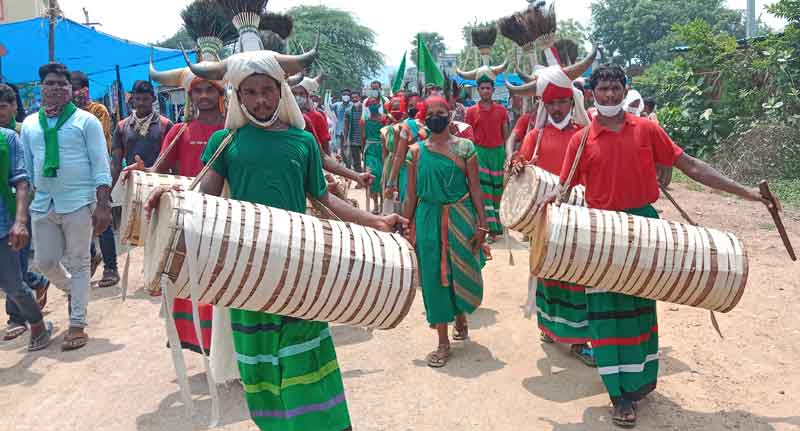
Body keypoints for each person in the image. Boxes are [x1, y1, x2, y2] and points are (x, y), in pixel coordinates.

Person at [149, 49, 408, 431]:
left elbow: (324, 198)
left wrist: (376, 221)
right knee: (261, 365)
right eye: (249, 92)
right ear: (236, 97)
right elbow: (203, 200)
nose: (260, 100)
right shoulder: (225, 142)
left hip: (300, 266)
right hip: (245, 272)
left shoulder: (302, 142)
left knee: (305, 355)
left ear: (281, 91)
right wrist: (167, 198)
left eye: (267, 90)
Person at [537, 64, 771, 428]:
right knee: (604, 314)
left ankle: (639, 382)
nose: (611, 95)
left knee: (640, 309)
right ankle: (619, 395)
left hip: (646, 231)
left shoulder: (647, 128)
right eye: (604, 89)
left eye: (616, 88)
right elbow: (562, 188)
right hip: (601, 235)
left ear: (625, 89)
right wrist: (536, 198)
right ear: (593, 95)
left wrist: (748, 194)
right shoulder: (581, 139)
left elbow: (691, 166)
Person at [21, 63, 113, 351]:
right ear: (41, 88)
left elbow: (101, 165)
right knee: (46, 262)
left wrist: (103, 205)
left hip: (78, 202)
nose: (57, 88)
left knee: (80, 261)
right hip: (43, 202)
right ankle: (73, 289)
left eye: (63, 84)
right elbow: (26, 166)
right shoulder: (30, 125)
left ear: (71, 89)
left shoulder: (87, 122)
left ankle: (77, 323)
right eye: (51, 83)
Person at [508, 65, 595, 366]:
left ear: (572, 102)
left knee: (577, 278)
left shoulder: (586, 135)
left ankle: (579, 340)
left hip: (576, 218)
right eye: (551, 103)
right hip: (544, 221)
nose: (557, 108)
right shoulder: (536, 135)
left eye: (562, 102)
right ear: (543, 104)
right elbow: (522, 168)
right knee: (546, 275)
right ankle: (548, 326)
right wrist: (517, 165)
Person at [402, 96, 487, 368]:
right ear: (424, 117)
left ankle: (460, 315)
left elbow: (475, 187)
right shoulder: (415, 152)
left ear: (450, 116)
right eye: (431, 113)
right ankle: (442, 341)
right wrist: (404, 225)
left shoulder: (466, 148)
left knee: (461, 269)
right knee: (432, 277)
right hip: (428, 218)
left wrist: (482, 224)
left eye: (442, 112)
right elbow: (411, 194)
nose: (436, 117)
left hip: (461, 217)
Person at [0, 84, 50, 340]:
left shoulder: (13, 136)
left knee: (13, 282)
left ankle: (31, 322)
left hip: (9, 218)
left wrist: (20, 219)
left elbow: (23, 179)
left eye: (3, 106)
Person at [71, 71, 119, 288]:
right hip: (75, 177)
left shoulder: (98, 111)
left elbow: (95, 143)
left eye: (75, 88)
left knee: (103, 220)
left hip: (97, 173)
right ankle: (91, 257)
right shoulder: (66, 114)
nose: (73, 93)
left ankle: (111, 267)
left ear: (85, 89)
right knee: (79, 222)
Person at [465, 75, 509, 240]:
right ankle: (488, 228)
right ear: (478, 91)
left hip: (498, 153)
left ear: (493, 90)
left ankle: (498, 227)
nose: (485, 91)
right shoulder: (471, 111)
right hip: (479, 154)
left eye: (488, 88)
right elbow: (468, 135)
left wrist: (506, 155)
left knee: (498, 191)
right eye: (482, 88)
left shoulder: (501, 110)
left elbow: (506, 134)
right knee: (485, 191)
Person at [111, 80, 173, 185]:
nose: (141, 103)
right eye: (137, 99)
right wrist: (114, 188)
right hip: (131, 184)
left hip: (160, 184)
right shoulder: (122, 127)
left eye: (145, 99)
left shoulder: (165, 125)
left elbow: (174, 160)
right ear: (132, 100)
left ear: (153, 99)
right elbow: (116, 165)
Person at [385, 94, 427, 204]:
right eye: (411, 105)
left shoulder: (432, 125)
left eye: (418, 104)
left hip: (427, 172)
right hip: (407, 173)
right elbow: (398, 156)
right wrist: (390, 183)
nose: (415, 108)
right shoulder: (405, 126)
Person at [362, 97, 387, 212]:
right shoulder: (364, 120)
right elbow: (363, 137)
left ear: (378, 105)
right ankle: (375, 204)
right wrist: (363, 152)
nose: (373, 106)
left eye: (375, 103)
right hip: (370, 151)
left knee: (382, 176)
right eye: (371, 104)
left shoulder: (384, 119)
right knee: (372, 175)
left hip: (381, 150)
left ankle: (382, 203)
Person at [343, 92, 364, 173]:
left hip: (364, 139)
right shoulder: (348, 111)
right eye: (353, 98)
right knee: (356, 162)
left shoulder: (365, 109)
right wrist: (345, 140)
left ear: (360, 98)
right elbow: (346, 127)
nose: (355, 99)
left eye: (356, 97)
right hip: (353, 140)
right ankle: (359, 179)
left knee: (366, 160)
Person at [332, 89, 352, 156]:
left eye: (347, 95)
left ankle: (347, 165)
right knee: (339, 149)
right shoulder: (337, 105)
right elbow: (328, 107)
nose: (346, 96)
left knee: (348, 151)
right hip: (339, 130)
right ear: (341, 96)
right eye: (344, 94)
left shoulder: (352, 106)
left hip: (350, 131)